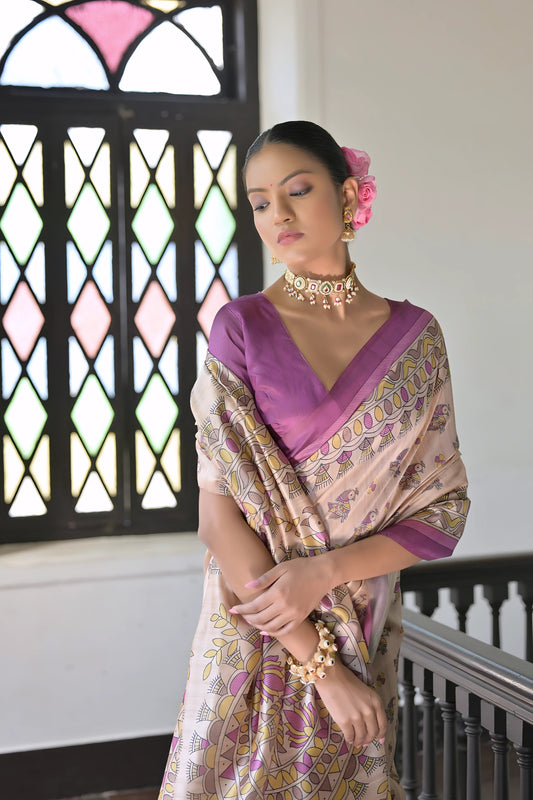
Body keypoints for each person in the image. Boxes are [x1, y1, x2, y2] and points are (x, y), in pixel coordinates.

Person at [159, 121, 470, 800]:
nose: (279, 215)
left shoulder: (415, 338)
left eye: (297, 191)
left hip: (362, 614)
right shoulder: (241, 327)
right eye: (260, 201)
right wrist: (321, 665)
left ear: (348, 193)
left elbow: (442, 509)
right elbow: (218, 517)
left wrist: (324, 573)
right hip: (258, 624)